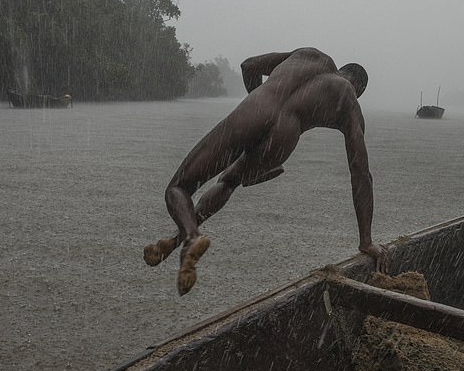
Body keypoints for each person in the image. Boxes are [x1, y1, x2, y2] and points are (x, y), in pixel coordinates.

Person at [144, 47, 389, 295]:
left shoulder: (310, 55)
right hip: (284, 139)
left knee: (179, 187)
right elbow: (360, 172)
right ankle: (178, 241)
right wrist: (366, 241)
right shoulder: (347, 99)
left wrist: (260, 106)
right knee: (229, 181)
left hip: (255, 109)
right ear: (359, 88)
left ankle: (189, 236)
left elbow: (248, 66)